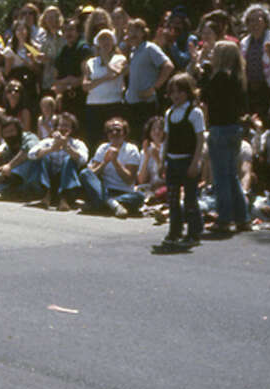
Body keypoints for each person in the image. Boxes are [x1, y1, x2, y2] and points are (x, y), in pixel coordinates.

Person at [202, 41, 250, 234]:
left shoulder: (219, 77)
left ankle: (224, 219)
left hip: (220, 129)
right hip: (234, 128)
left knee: (221, 177)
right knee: (231, 175)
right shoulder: (238, 77)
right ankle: (242, 217)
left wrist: (204, 74)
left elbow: (205, 95)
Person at [155, 74, 206, 249]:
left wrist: (195, 162)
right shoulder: (169, 113)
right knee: (173, 198)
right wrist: (162, 160)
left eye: (180, 92)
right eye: (173, 92)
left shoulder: (194, 112)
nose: (176, 96)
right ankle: (175, 230)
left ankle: (194, 231)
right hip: (173, 161)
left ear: (188, 92)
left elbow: (200, 140)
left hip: (187, 161)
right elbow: (167, 139)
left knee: (190, 199)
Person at [20, 111, 88, 209]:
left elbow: (83, 160)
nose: (63, 128)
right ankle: (46, 195)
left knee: (69, 159)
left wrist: (68, 148)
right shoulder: (48, 142)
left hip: (66, 181)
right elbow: (31, 154)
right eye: (61, 125)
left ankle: (64, 198)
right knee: (44, 156)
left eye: (67, 126)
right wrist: (51, 149)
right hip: (48, 180)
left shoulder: (77, 144)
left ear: (72, 129)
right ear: (56, 127)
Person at [80, 116, 145, 217]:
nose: (114, 133)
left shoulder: (131, 149)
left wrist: (115, 162)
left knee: (140, 197)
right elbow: (92, 173)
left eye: (118, 130)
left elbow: (129, 180)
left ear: (124, 133)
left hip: (123, 192)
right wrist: (105, 162)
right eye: (110, 130)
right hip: (103, 190)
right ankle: (112, 205)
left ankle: (102, 204)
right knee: (84, 173)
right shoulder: (103, 148)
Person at [123, 18, 174, 142]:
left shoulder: (150, 47)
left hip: (146, 104)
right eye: (130, 31)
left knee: (148, 140)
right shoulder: (132, 51)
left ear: (143, 32)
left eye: (137, 30)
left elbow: (168, 66)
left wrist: (154, 88)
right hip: (132, 104)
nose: (133, 34)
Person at [239, 3, 270, 118]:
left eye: (258, 20)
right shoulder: (244, 42)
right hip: (251, 89)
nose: (254, 24)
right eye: (251, 21)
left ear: (265, 22)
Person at [81, 28, 126, 144]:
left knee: (113, 137)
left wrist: (105, 59)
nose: (105, 42)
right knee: (94, 139)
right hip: (93, 105)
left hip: (113, 103)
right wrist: (105, 78)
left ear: (113, 42)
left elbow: (115, 73)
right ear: (97, 43)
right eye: (102, 39)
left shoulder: (120, 58)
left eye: (108, 39)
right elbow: (85, 86)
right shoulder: (90, 62)